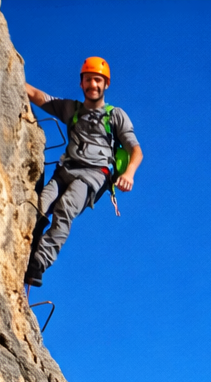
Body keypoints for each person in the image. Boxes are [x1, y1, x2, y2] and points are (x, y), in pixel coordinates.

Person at [24, 57, 143, 287]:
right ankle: (27, 247)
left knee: (65, 209)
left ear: (106, 84)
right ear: (81, 84)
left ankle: (38, 263)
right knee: (39, 206)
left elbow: (136, 150)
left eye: (98, 80)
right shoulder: (72, 109)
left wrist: (129, 174)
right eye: (88, 80)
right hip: (65, 170)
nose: (93, 85)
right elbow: (40, 97)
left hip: (93, 174)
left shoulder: (115, 115)